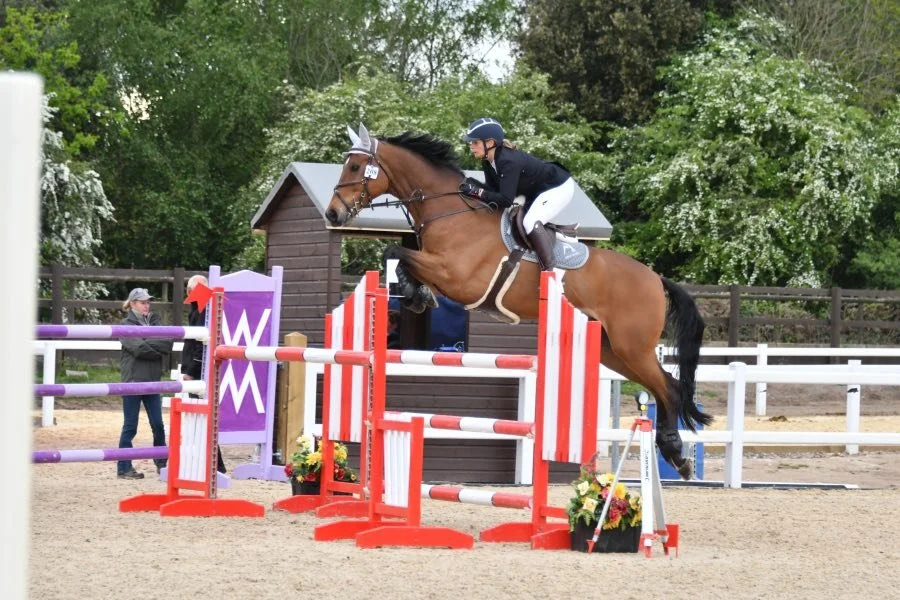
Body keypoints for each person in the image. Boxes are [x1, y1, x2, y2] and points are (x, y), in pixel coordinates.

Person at [459, 117, 575, 271]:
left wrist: (476, 191)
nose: (471, 145)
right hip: (537, 191)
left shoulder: (508, 161)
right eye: (471, 142)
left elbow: (505, 200)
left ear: (490, 143)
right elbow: (492, 192)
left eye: (475, 142)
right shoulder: (488, 160)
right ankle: (560, 232)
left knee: (530, 221)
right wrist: (471, 187)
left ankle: (550, 272)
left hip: (558, 187)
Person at [118, 287, 173, 479]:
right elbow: (139, 349)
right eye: (143, 302)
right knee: (130, 426)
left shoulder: (155, 321)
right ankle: (124, 467)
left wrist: (148, 343)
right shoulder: (125, 325)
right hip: (133, 381)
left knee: (158, 424)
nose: (147, 305)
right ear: (133, 303)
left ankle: (162, 463)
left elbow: (168, 343)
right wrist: (157, 347)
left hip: (152, 380)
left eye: (148, 302)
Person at [180, 274, 227, 474]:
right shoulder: (203, 306)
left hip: (200, 371)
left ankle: (216, 465)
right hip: (202, 368)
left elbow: (200, 345)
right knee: (200, 418)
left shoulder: (203, 308)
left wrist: (191, 371)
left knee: (202, 419)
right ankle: (214, 464)